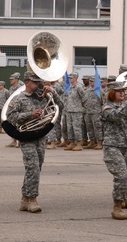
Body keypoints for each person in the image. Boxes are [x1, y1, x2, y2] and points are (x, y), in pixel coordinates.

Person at [5, 72, 63, 212]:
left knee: (37, 168)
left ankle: (25, 198)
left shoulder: (42, 97)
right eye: (35, 82)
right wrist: (30, 114)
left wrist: (53, 93)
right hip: (26, 137)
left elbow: (60, 106)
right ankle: (32, 199)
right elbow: (10, 117)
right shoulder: (18, 98)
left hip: (40, 137)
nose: (38, 85)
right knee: (33, 167)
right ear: (27, 82)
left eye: (39, 82)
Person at [101, 81, 127, 219]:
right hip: (113, 146)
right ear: (111, 92)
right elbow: (115, 116)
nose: (122, 93)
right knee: (122, 176)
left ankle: (126, 198)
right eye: (119, 91)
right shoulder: (107, 107)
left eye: (123, 91)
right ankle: (117, 207)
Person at [64, 72, 86, 150]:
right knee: (69, 127)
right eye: (69, 78)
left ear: (76, 78)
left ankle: (79, 143)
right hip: (69, 110)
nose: (70, 79)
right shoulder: (70, 87)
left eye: (71, 78)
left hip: (77, 110)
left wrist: (81, 106)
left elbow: (84, 97)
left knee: (76, 127)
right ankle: (72, 143)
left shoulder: (79, 87)